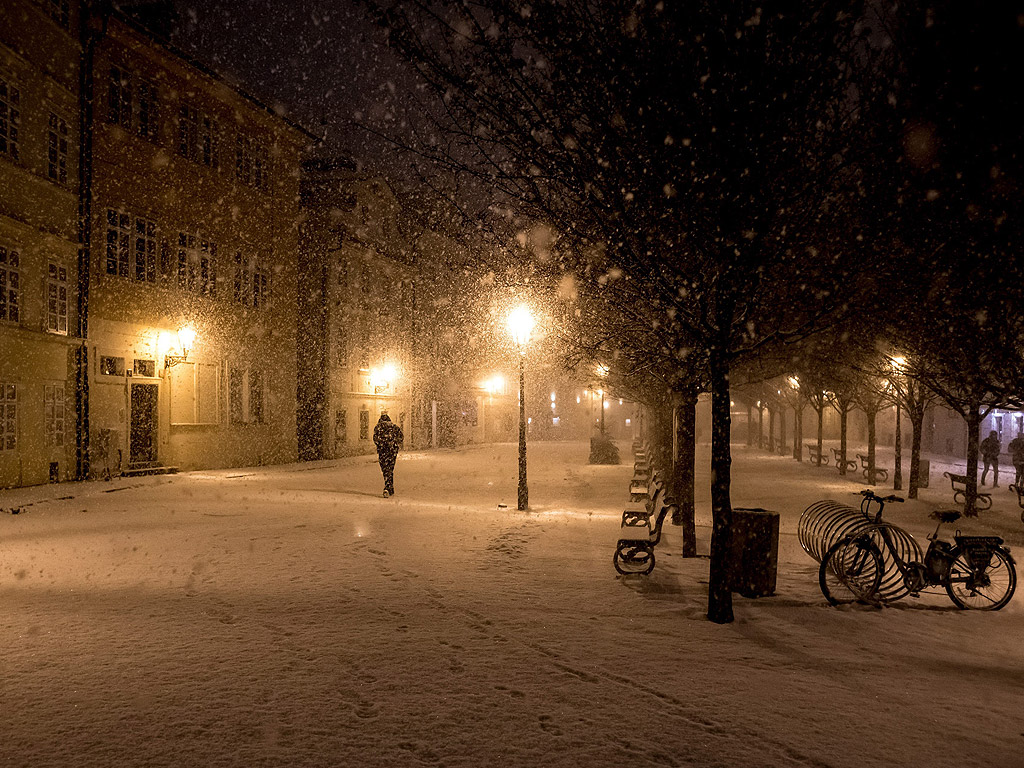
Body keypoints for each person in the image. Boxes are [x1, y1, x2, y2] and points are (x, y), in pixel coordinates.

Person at [373, 412, 404, 497]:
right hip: (392, 452)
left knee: (385, 469)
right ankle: (390, 487)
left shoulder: (378, 428)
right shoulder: (394, 427)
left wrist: (381, 445)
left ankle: (387, 487)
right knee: (390, 469)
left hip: (383, 452)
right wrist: (395, 444)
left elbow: (375, 439)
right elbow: (401, 437)